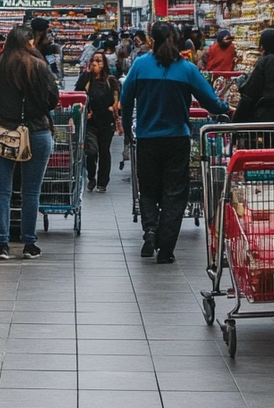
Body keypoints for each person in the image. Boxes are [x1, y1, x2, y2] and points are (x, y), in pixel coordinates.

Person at [120, 22, 229, 263]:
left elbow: (125, 101)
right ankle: (166, 248)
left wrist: (128, 131)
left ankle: (150, 229)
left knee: (148, 189)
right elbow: (210, 103)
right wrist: (227, 109)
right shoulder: (187, 69)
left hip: (147, 139)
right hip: (177, 139)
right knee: (175, 193)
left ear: (152, 41)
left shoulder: (140, 65)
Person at [0, 25, 60, 259]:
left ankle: (2, 244)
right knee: (31, 192)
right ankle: (29, 244)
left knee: (1, 192)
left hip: (2, 133)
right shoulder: (38, 66)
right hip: (36, 132)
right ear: (30, 43)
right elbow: (53, 100)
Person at [76, 52, 120, 193]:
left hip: (107, 122)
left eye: (99, 61)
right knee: (92, 151)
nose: (95, 63)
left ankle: (102, 182)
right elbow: (77, 96)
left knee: (104, 152)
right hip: (91, 122)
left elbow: (117, 100)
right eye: (93, 60)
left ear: (104, 64)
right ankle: (91, 177)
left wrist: (115, 111)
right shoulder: (85, 79)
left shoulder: (111, 80)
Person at [30, 17, 63, 82]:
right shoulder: (30, 48)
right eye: (46, 32)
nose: (48, 37)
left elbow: (53, 66)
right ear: (41, 32)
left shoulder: (48, 48)